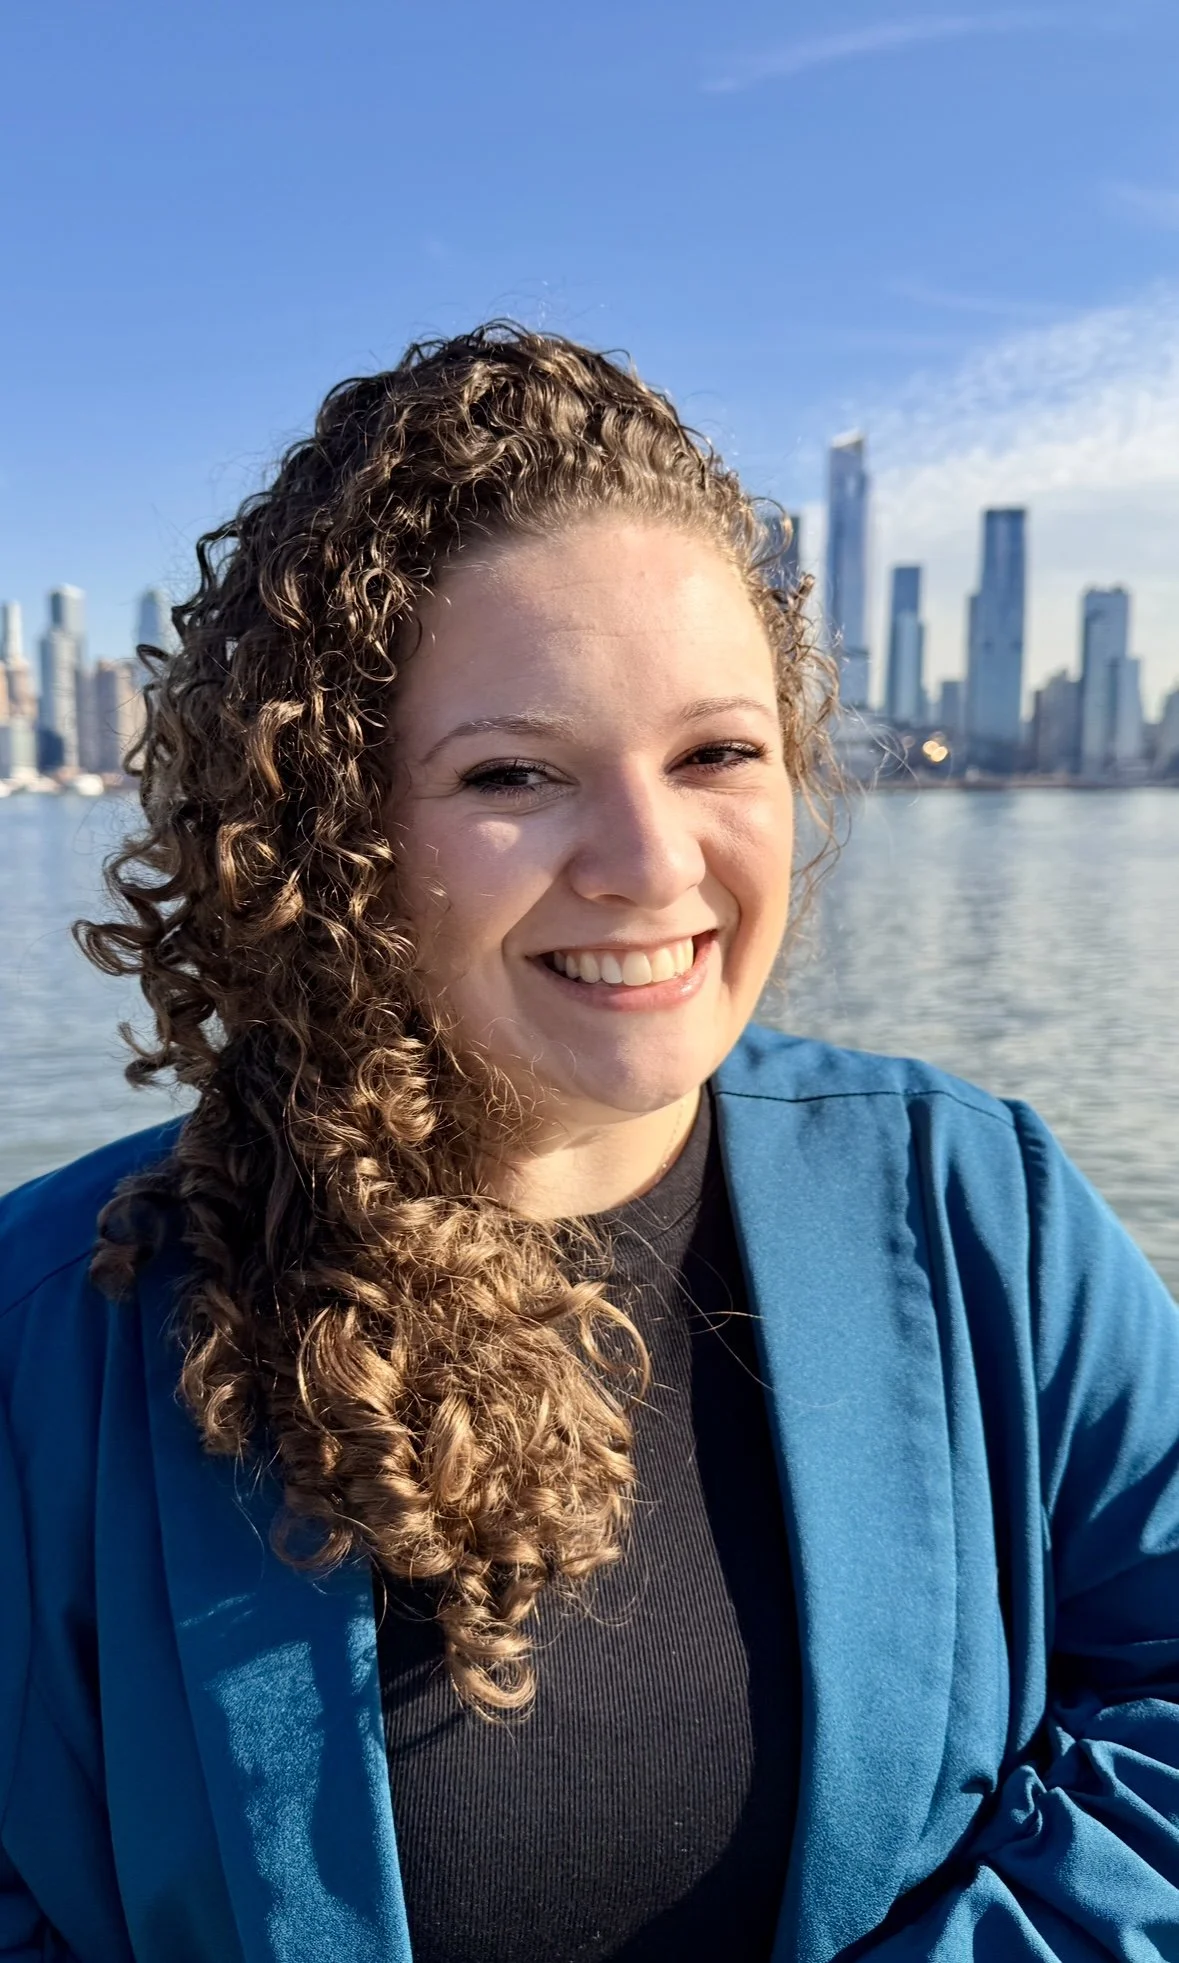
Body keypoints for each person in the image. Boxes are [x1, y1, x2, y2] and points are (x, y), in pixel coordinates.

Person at [1, 323, 1177, 1963]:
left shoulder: (986, 1214)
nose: (646, 859)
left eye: (716, 753)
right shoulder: (52, 1326)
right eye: (514, 773)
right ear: (333, 832)